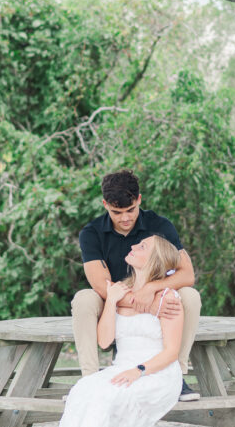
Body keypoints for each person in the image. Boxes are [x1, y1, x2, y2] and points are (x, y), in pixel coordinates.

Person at [37, 234, 184, 427]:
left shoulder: (168, 297)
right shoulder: (120, 291)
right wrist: (113, 301)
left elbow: (171, 352)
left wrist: (139, 370)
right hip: (122, 367)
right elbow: (105, 341)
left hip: (156, 371)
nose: (133, 247)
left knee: (113, 395)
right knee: (84, 389)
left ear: (154, 260)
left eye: (142, 247)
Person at [71, 169, 201, 401]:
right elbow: (101, 285)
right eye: (116, 212)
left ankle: (177, 375)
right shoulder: (91, 233)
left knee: (190, 295)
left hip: (158, 300)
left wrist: (151, 290)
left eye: (130, 210)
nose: (125, 218)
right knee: (83, 298)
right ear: (105, 204)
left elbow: (187, 274)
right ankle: (88, 380)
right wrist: (140, 303)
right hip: (114, 302)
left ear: (139, 199)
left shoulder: (160, 225)